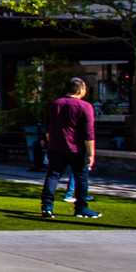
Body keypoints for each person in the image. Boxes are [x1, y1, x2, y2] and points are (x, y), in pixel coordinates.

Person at [41, 77, 101, 220]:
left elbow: (48, 127)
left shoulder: (53, 104)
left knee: (53, 175)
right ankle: (81, 208)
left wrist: (50, 142)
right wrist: (91, 153)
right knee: (81, 177)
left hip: (56, 147)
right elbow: (88, 132)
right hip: (76, 148)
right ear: (80, 90)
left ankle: (47, 206)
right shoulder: (84, 106)